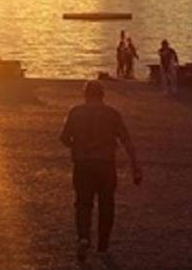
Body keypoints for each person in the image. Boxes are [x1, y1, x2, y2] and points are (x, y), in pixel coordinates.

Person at [59, 80, 142, 260]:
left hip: (83, 164)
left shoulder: (76, 112)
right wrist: (135, 166)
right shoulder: (112, 114)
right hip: (106, 164)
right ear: (102, 95)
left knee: (83, 203)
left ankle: (83, 237)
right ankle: (103, 245)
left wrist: (77, 146)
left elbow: (64, 138)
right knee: (107, 204)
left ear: (85, 94)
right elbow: (126, 140)